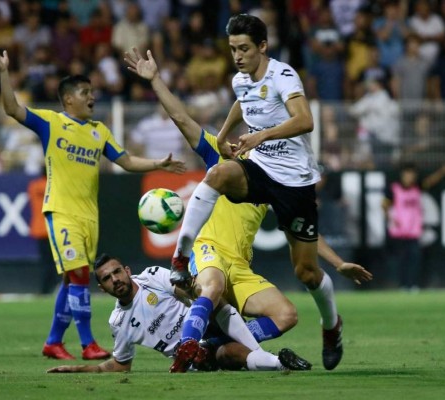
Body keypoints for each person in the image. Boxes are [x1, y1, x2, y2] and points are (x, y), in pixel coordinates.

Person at [124, 47, 372, 372]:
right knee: (211, 286)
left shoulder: (272, 181)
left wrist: (338, 263)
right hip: (208, 251)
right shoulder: (222, 157)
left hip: (240, 266)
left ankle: (215, 347)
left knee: (287, 315)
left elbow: (300, 232)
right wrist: (155, 80)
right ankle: (188, 346)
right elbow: (182, 118)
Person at [0, 43, 186, 361]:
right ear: (68, 98)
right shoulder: (51, 123)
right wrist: (3, 73)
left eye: (92, 91)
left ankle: (53, 341)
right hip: (62, 210)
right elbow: (12, 109)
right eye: (84, 92)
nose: (92, 97)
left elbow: (125, 160)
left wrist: (157, 164)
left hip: (89, 216)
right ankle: (87, 343)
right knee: (81, 274)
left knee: (72, 279)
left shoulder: (99, 131)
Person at [46, 254, 312, 373]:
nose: (114, 279)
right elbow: (120, 365)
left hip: (208, 327)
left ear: (127, 270)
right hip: (198, 356)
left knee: (211, 298)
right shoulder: (119, 322)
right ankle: (280, 362)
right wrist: (79, 368)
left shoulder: (151, 276)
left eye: (117, 272)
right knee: (228, 353)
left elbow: (183, 292)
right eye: (106, 279)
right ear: (102, 289)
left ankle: (205, 340)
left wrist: (191, 288)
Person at [382, 162, 445, 290]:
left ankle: (412, 284)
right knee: (402, 260)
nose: (410, 177)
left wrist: (442, 172)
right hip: (399, 232)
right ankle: (403, 285)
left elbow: (431, 181)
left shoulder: (417, 188)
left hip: (414, 232)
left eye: (412, 174)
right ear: (402, 175)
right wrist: (390, 217)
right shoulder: (394, 189)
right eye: (407, 174)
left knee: (415, 259)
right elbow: (384, 204)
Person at [27, 170, 59, 294]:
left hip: (39, 229)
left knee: (46, 262)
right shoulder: (55, 186)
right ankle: (50, 287)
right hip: (54, 229)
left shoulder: (34, 186)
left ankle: (47, 289)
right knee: (55, 262)